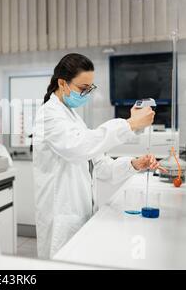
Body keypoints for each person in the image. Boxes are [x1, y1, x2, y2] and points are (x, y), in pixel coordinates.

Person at [33, 53, 165, 259]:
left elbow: (101, 165)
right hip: (61, 216)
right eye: (82, 89)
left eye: (90, 89)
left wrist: (134, 164)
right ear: (62, 83)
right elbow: (79, 149)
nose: (86, 94)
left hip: (80, 213)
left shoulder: (73, 117)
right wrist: (129, 124)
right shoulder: (48, 114)